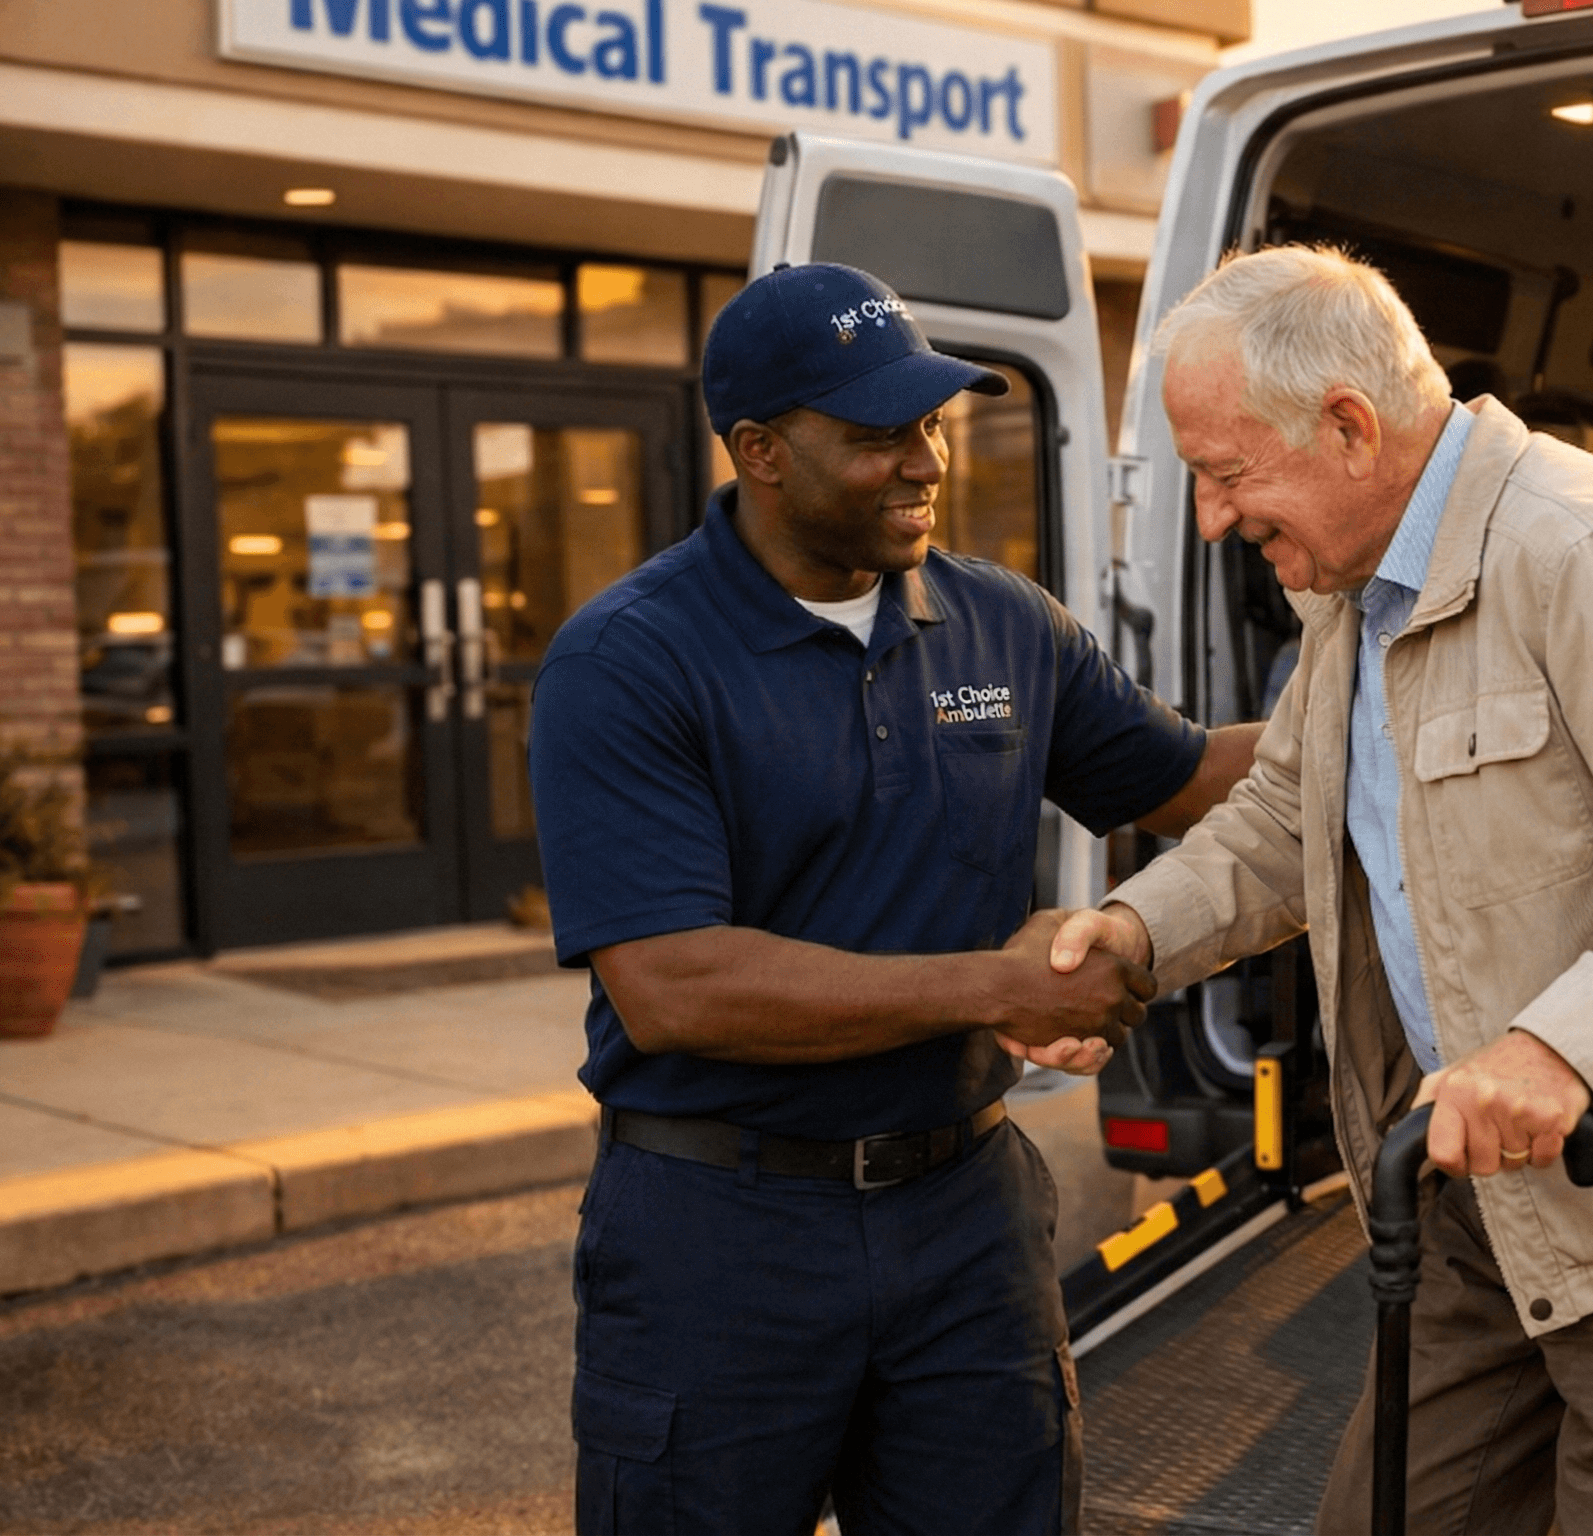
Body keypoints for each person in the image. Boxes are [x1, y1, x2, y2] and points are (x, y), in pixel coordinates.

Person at [1049, 247, 1593, 1534]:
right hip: (1491, 1192)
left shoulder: (1585, 548)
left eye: (1228, 476)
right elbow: (1292, 816)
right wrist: (1129, 936)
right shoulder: (1355, 589)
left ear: (1348, 425)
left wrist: (1558, 1049)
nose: (1213, 520)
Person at [529, 261, 1255, 1535]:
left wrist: (1398, 698)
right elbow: (672, 986)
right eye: (876, 437)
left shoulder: (1000, 625)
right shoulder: (629, 659)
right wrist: (1005, 986)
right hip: (720, 1233)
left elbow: (1187, 779)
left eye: (932, 423)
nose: (925, 461)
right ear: (758, 451)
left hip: (963, 1215)